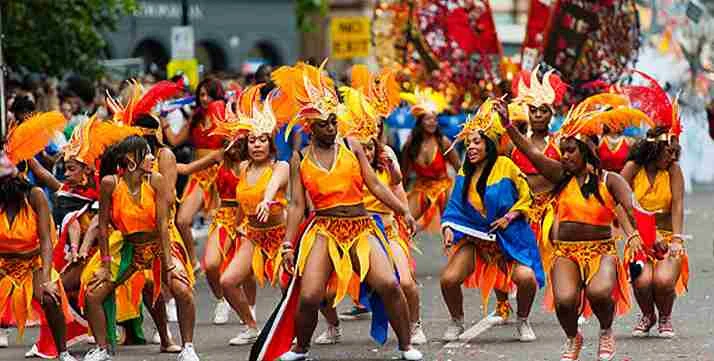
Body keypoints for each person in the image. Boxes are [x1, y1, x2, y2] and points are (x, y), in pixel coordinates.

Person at [250, 61, 422, 361]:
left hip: (360, 226)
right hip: (324, 229)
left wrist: (403, 210)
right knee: (310, 296)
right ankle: (300, 349)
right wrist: (288, 244)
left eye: (333, 121)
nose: (331, 127)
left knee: (389, 284)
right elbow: (297, 205)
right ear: (309, 127)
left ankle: (406, 345)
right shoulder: (300, 159)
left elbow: (376, 186)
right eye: (323, 124)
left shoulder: (352, 146)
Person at [498, 97, 654, 361]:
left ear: (586, 151)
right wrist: (508, 127)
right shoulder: (560, 176)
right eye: (563, 150)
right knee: (565, 302)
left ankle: (606, 331)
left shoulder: (610, 180)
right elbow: (532, 154)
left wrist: (652, 238)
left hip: (601, 251)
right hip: (566, 253)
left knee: (599, 292)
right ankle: (574, 338)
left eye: (571, 150)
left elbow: (634, 208)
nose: (565, 155)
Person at [325, 66, 426, 345]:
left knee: (404, 282)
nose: (367, 150)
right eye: (362, 145)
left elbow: (393, 186)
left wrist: (405, 213)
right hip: (353, 230)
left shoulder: (387, 154)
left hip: (388, 229)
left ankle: (415, 324)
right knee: (322, 289)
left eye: (371, 144)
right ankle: (332, 327)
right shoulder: (346, 160)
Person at [25, 115, 140, 358]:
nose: (66, 173)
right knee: (53, 291)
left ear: (87, 170)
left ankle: (162, 337)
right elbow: (48, 179)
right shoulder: (70, 193)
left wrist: (82, 248)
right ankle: (71, 340)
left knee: (57, 290)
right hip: (79, 256)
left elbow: (97, 224)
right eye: (64, 169)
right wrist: (28, 156)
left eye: (71, 168)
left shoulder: (101, 190)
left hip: (108, 252)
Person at [80, 135, 199, 361]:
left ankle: (188, 347)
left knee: (182, 289)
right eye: (146, 153)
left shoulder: (155, 180)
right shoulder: (110, 184)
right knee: (93, 293)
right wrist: (105, 265)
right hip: (129, 247)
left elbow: (163, 224)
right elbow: (103, 226)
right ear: (130, 160)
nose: (153, 157)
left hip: (160, 245)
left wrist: (169, 263)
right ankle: (101, 349)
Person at [439, 100, 544, 343]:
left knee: (526, 278)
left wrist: (510, 216)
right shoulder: (465, 171)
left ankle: (523, 320)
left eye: (476, 141)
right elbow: (454, 208)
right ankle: (456, 320)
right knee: (448, 280)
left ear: (489, 143)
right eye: (468, 143)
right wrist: (447, 228)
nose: (471, 147)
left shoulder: (506, 166)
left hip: (509, 238)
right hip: (477, 241)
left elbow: (527, 195)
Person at [212, 85, 292, 345]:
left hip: (281, 237)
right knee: (227, 281)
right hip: (254, 237)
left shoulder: (281, 166)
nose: (257, 145)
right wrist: (235, 230)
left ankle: (328, 324)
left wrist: (267, 201)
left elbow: (271, 189)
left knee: (289, 286)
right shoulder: (244, 167)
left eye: (262, 140)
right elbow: (240, 204)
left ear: (271, 142)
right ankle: (250, 326)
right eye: (252, 140)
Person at [0, 112, 77, 361]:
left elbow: (45, 239)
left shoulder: (35, 196)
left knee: (51, 295)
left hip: (32, 266)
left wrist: (45, 277)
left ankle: (63, 351)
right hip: (2, 266)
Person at [619, 74, 688, 338]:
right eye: (668, 151)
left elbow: (679, 204)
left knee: (662, 280)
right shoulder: (631, 168)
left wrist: (677, 239)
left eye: (675, 151)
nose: (673, 156)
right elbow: (616, 201)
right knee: (642, 279)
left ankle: (665, 318)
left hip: (668, 236)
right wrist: (633, 233)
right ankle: (647, 315)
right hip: (639, 238)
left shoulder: (673, 171)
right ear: (654, 148)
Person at [164, 77, 225, 284]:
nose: (204, 98)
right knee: (182, 220)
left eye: (209, 94)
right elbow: (174, 141)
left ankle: (223, 264)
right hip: (198, 174)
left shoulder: (224, 114)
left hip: (220, 174)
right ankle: (193, 260)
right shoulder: (195, 118)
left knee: (223, 222)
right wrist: (162, 121)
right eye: (201, 95)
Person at [400, 87, 460, 231]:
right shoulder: (411, 144)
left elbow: (459, 167)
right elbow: (404, 174)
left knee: (450, 227)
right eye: (428, 119)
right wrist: (399, 198)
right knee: (403, 225)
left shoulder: (443, 142)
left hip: (443, 188)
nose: (432, 122)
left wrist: (464, 194)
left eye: (435, 119)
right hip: (421, 188)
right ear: (420, 121)